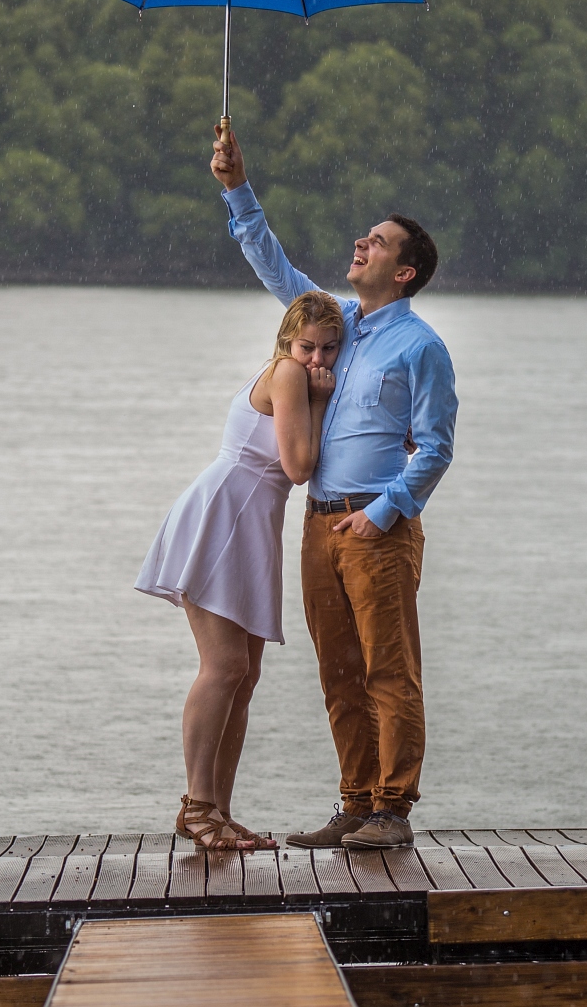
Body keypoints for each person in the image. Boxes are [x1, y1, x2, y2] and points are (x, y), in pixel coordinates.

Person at [209, 122, 457, 850]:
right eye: (365, 237)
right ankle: (354, 802)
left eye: (377, 243)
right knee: (340, 672)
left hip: (376, 529)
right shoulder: (336, 324)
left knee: (390, 672)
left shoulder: (422, 347)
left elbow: (436, 448)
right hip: (318, 524)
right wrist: (237, 190)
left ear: (404, 272)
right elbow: (275, 269)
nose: (361, 244)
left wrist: (385, 512)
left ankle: (392, 811)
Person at [135, 290, 344, 851]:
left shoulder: (295, 373)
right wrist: (321, 401)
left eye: (329, 349)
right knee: (224, 667)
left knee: (244, 677)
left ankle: (219, 812)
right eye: (307, 346)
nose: (317, 359)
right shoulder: (288, 375)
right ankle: (197, 808)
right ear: (287, 341)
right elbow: (298, 467)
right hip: (226, 515)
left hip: (250, 521)